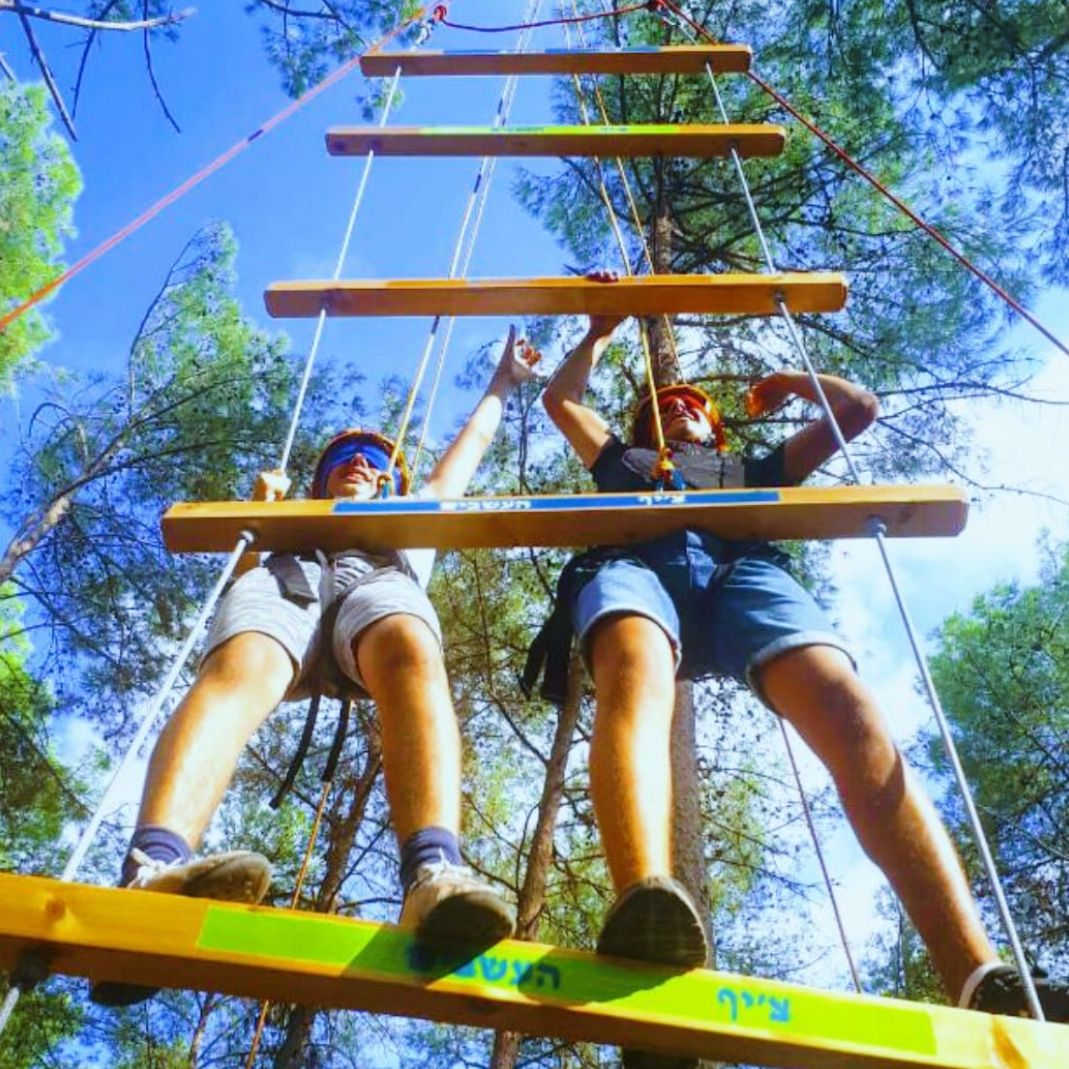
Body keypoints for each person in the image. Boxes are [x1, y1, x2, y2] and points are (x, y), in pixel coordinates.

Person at [527, 273, 1067, 1065]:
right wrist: (598, 332)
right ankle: (643, 904)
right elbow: (560, 401)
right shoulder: (623, 462)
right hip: (636, 564)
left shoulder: (750, 468)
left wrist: (789, 382)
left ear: (712, 428)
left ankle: (980, 973)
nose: (677, 409)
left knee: (846, 706)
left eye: (691, 408)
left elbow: (854, 411)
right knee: (634, 666)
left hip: (742, 571)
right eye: (662, 407)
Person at [92, 329, 539, 1007]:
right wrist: (264, 515)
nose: (359, 461)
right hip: (291, 572)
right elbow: (239, 584)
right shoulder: (291, 520)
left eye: (373, 456)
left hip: (380, 580)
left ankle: (434, 874)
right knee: (241, 665)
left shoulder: (411, 515)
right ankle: (153, 863)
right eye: (343, 456)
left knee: (410, 649)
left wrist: (503, 383)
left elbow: (468, 450)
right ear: (319, 477)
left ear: (394, 479)